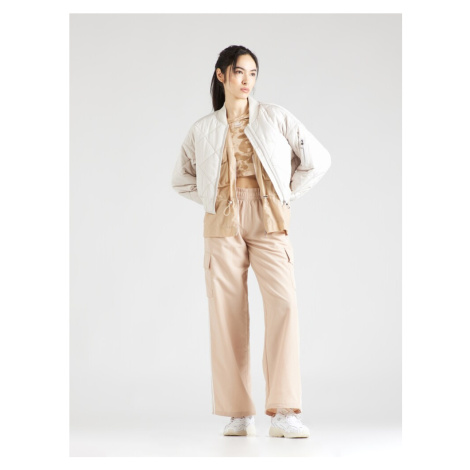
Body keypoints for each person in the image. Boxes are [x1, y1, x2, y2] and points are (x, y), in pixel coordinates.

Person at [171, 45, 331, 438]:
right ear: (221, 74)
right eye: (240, 72)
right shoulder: (203, 128)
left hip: (268, 214)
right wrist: (213, 200)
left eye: (253, 73)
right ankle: (238, 413)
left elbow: (318, 159)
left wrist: (285, 195)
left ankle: (284, 412)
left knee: (284, 305)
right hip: (222, 219)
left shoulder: (275, 116)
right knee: (226, 313)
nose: (247, 81)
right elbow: (181, 178)